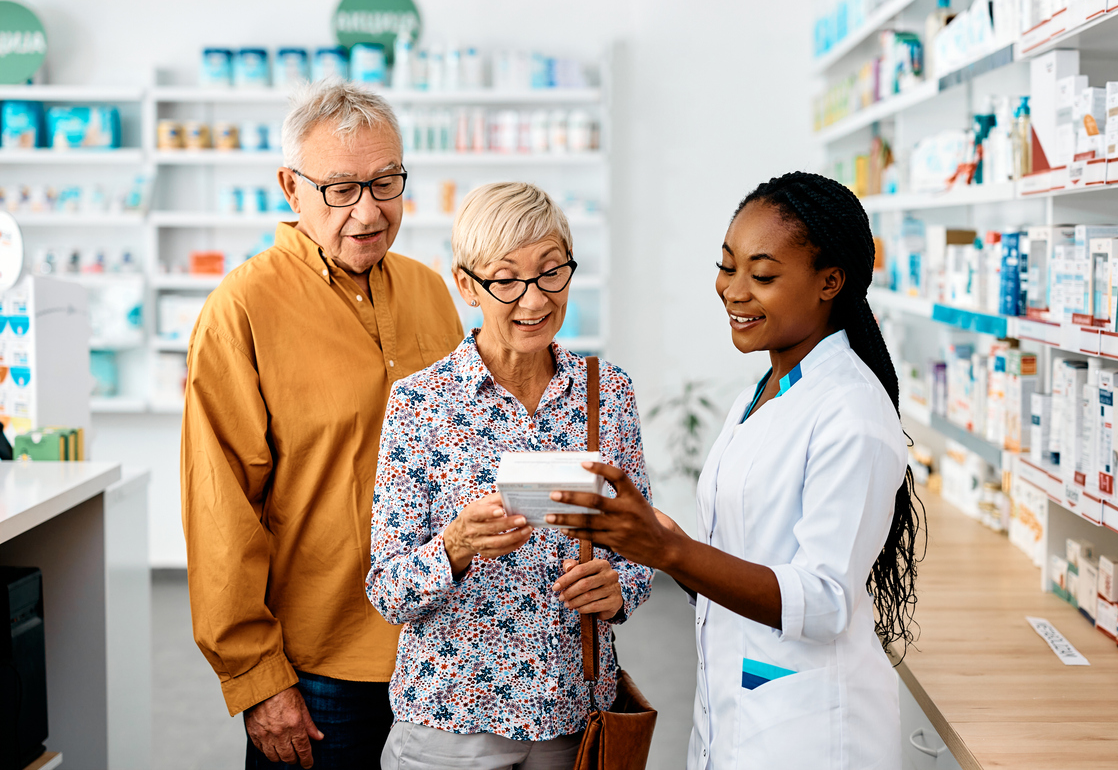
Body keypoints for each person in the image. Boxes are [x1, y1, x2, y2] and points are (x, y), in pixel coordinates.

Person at [548, 172, 923, 770]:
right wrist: (662, 542)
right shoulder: (767, 390)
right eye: (727, 267)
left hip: (810, 734)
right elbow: (748, 553)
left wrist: (671, 552)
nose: (733, 290)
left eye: (763, 276)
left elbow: (825, 600)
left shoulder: (851, 410)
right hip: (738, 706)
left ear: (830, 282)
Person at [181, 79, 463, 770]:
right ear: (291, 188)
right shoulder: (241, 309)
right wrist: (257, 679)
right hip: (320, 669)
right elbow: (220, 512)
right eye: (341, 189)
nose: (368, 210)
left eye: (386, 182)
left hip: (443, 647)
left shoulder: (430, 291)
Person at [367, 182, 653, 770]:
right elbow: (387, 591)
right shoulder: (420, 404)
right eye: (506, 279)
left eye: (551, 272)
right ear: (467, 285)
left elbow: (643, 545)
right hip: (450, 723)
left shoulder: (607, 394)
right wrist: (453, 547)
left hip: (572, 715)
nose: (534, 299)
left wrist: (619, 587)